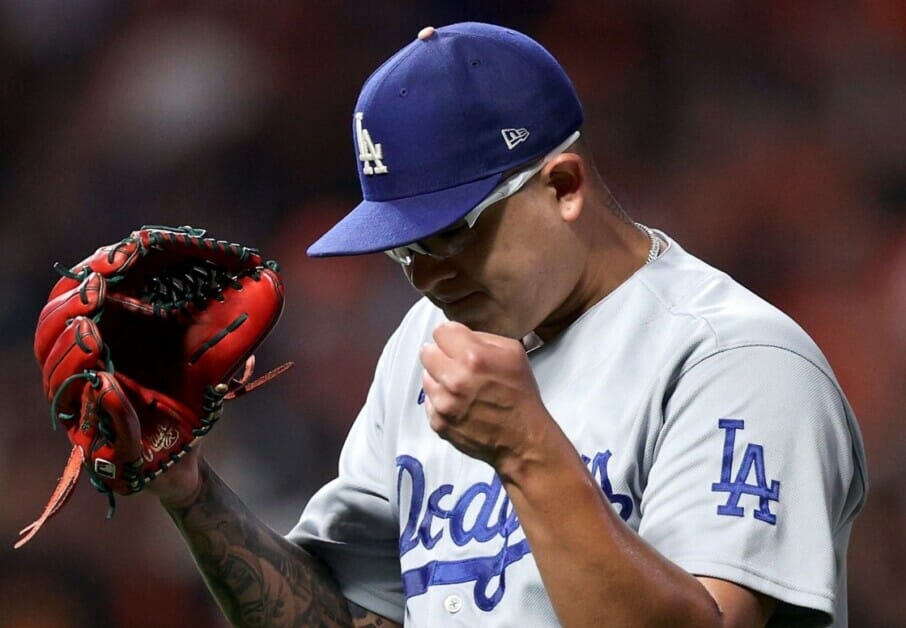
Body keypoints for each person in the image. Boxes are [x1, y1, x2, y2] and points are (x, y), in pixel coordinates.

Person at [154, 22, 867, 627]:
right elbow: (347, 617)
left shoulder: (736, 360)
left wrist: (527, 452)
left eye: (451, 233)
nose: (426, 276)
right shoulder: (426, 343)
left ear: (563, 187)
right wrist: (191, 491)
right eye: (404, 249)